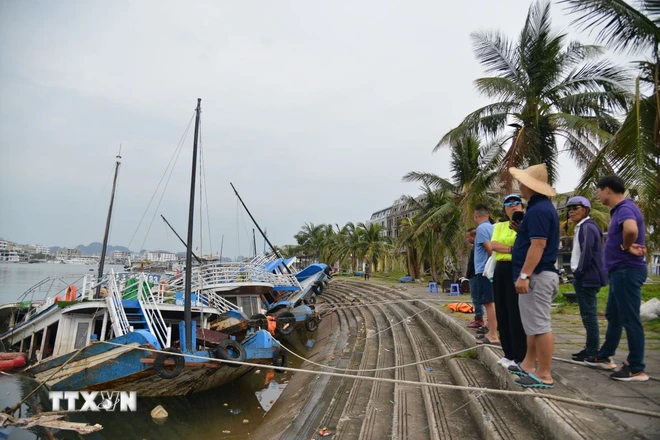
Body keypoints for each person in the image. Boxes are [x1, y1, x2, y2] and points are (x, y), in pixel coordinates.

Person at [585, 176, 648, 382]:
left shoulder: (624, 209)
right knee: (614, 314)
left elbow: (630, 229)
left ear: (608, 190)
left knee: (630, 318)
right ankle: (605, 355)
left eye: (599, 191)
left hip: (626, 270)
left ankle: (636, 367)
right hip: (619, 271)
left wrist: (625, 246)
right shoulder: (622, 209)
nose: (598, 195)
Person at [508, 164, 559, 389]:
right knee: (532, 325)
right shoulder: (538, 209)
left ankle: (545, 374)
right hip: (537, 275)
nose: (519, 186)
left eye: (522, 182)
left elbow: (538, 245)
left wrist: (525, 275)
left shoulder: (539, 211)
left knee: (540, 326)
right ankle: (529, 364)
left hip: (537, 275)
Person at [566, 196, 608, 362]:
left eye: (576, 208)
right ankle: (590, 347)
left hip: (587, 278)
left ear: (586, 209)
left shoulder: (587, 227)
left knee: (589, 315)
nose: (572, 211)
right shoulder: (581, 227)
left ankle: (592, 350)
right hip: (585, 277)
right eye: (570, 208)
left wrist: (579, 273)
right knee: (586, 314)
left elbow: (586, 253)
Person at [487, 194, 526, 368]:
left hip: (516, 268)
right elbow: (493, 245)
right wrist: (513, 248)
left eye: (517, 203)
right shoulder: (500, 226)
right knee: (502, 310)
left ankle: (520, 355)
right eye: (509, 204)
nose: (513, 206)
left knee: (515, 312)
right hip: (501, 268)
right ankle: (508, 352)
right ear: (504, 209)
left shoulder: (527, 225)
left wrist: (511, 250)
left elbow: (527, 246)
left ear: (522, 207)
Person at [472, 205, 499, 344]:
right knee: (492, 300)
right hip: (491, 269)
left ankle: (493, 334)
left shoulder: (481, 229)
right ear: (488, 215)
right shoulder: (493, 227)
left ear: (476, 216)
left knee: (489, 302)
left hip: (484, 270)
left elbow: (490, 249)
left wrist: (489, 265)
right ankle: (489, 327)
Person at [465, 228, 484, 327]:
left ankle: (479, 318)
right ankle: (478, 317)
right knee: (475, 297)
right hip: (473, 274)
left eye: (468, 238)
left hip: (475, 274)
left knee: (476, 297)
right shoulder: (475, 247)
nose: (468, 240)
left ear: (473, 236)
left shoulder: (479, 247)